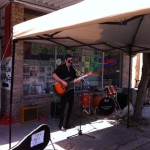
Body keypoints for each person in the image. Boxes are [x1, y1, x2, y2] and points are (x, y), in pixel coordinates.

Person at [52, 54, 78, 131]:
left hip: (71, 91)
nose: (70, 62)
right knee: (63, 109)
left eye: (71, 60)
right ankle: (61, 125)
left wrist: (78, 80)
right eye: (69, 60)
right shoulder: (61, 67)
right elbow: (53, 75)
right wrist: (62, 81)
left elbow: (74, 79)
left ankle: (66, 124)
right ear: (65, 60)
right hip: (63, 91)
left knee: (70, 108)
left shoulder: (73, 69)